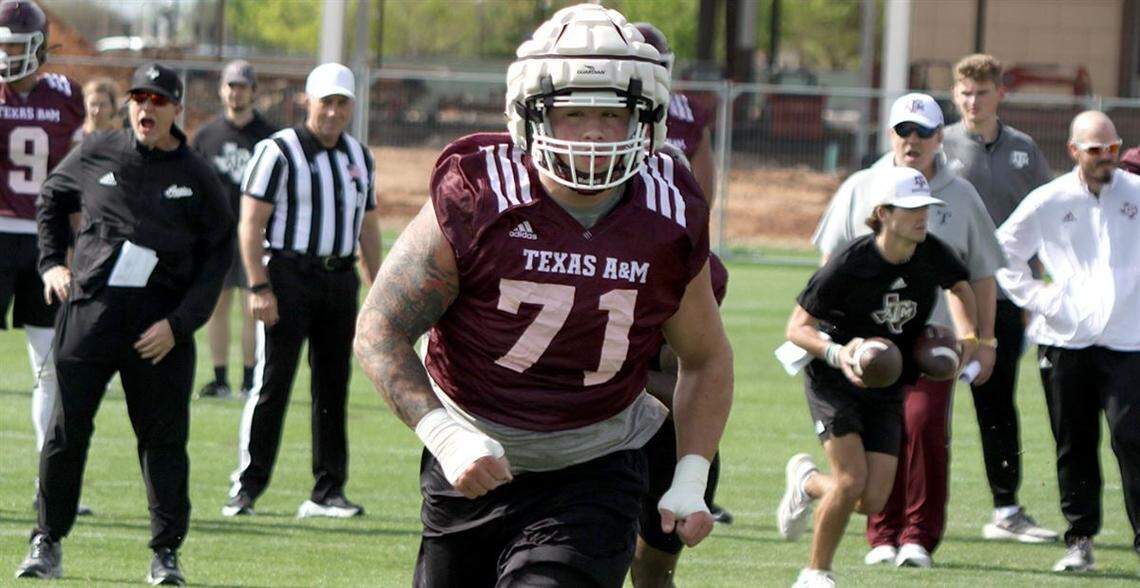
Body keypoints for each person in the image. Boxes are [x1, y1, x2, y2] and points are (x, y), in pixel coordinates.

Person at [353, 4, 733, 586]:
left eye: (613, 114)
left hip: (595, 464)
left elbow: (706, 357)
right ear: (531, 116)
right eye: (572, 112)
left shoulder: (669, 208)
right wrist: (443, 435)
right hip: (473, 459)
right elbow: (380, 327)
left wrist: (689, 472)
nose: (593, 133)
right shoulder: (478, 194)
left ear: (647, 118)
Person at [15, 63, 233, 585]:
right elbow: (50, 198)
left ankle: (165, 554)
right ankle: (46, 541)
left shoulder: (197, 175)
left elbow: (218, 254)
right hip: (90, 317)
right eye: (139, 98)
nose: (146, 109)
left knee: (162, 442)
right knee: (65, 435)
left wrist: (180, 325)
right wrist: (52, 263)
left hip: (157, 333)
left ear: (177, 109)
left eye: (158, 101)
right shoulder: (97, 151)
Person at [811, 92, 1003, 568]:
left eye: (922, 131)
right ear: (891, 134)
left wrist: (982, 340)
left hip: (932, 340)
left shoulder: (961, 195)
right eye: (903, 130)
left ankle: (918, 534)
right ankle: (881, 535)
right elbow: (829, 266)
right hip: (868, 342)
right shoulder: (862, 185)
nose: (912, 139)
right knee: (874, 454)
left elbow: (976, 274)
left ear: (941, 136)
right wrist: (838, 341)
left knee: (924, 428)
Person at [780, 166, 978, 588]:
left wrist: (967, 336)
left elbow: (960, 287)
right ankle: (815, 573)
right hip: (835, 378)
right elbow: (797, 327)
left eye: (925, 206)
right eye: (910, 208)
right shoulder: (852, 262)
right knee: (851, 480)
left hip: (890, 382)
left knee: (872, 498)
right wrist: (839, 353)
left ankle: (807, 482)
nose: (922, 216)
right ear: (883, 213)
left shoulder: (932, 252)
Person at [225, 62, 381, 519]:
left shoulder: (359, 155)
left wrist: (379, 290)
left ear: (352, 106)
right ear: (307, 102)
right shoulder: (278, 150)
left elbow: (368, 229)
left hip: (339, 279)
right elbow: (250, 225)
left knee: (333, 386)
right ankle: (248, 486)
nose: (333, 112)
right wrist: (258, 285)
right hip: (288, 276)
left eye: (342, 103)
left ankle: (328, 489)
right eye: (326, 102)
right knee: (271, 384)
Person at [995, 110, 1140, 572]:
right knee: (1073, 442)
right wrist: (1040, 298)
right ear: (1074, 151)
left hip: (1129, 341)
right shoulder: (1048, 200)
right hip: (1064, 342)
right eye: (1094, 150)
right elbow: (1002, 252)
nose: (1105, 158)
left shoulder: (1136, 195)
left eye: (1112, 148)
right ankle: (1080, 540)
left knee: (1132, 437)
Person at [942, 54, 1058, 543]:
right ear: (955, 95)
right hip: (941, 294)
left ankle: (1006, 509)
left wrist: (1042, 283)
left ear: (999, 95)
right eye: (965, 93)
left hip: (1006, 297)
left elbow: (1048, 217)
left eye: (982, 92)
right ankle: (903, 514)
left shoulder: (1024, 151)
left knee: (997, 403)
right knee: (923, 405)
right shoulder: (938, 144)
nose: (973, 101)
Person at [630, 142, 732, 588]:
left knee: (654, 574)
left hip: (665, 435)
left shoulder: (701, 268)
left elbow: (685, 376)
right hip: (585, 434)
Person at [0, 0, 87, 515]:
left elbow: (77, 180)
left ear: (36, 46)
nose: (7, 56)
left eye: (14, 45)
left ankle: (48, 482)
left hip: (44, 243)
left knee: (49, 366)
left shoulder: (67, 96)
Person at [192, 60, 277, 399]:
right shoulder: (206, 135)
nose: (236, 92)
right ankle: (219, 379)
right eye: (231, 85)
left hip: (257, 233)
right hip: (217, 234)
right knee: (217, 305)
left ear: (254, 91)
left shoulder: (269, 136)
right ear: (222, 89)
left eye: (242, 86)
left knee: (252, 306)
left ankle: (248, 378)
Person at [633, 22, 717, 202]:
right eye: (641, 68)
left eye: (656, 67)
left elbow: (703, 199)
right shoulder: (603, 113)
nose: (649, 77)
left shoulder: (688, 117)